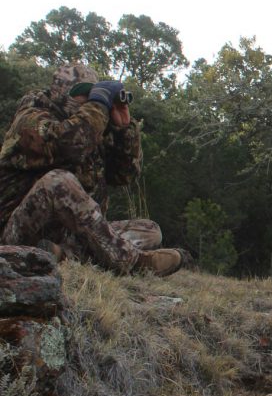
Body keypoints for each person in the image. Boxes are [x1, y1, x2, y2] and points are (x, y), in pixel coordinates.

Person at [0, 63, 186, 276]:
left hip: (67, 234)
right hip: (14, 233)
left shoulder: (92, 127)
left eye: (95, 94)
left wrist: (123, 128)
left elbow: (124, 176)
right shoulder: (31, 118)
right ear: (61, 93)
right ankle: (132, 262)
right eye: (85, 94)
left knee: (150, 231)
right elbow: (67, 146)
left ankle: (63, 254)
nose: (91, 101)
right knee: (58, 181)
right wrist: (98, 105)